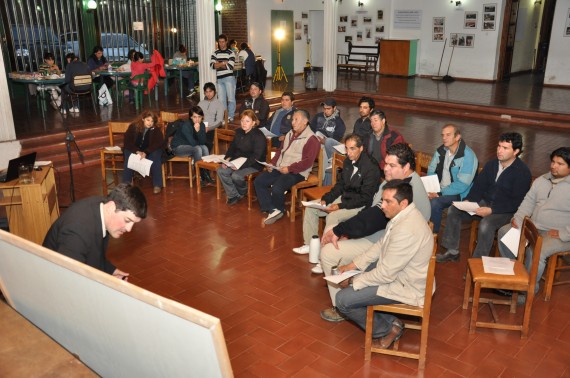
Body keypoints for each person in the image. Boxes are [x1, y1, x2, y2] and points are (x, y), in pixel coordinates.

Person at [319, 143, 431, 322]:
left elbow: (373, 219)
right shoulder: (394, 182)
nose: (385, 168)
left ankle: (342, 306)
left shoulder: (406, 192)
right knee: (336, 236)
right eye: (385, 163)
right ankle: (348, 299)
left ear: (407, 167)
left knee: (328, 253)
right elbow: (373, 214)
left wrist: (343, 230)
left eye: (391, 165)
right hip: (381, 240)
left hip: (390, 253)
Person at [334, 180, 434, 348]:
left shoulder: (407, 229)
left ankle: (388, 327)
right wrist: (352, 265)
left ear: (403, 203)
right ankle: (385, 321)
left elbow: (386, 274)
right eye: (383, 200)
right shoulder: (403, 216)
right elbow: (381, 244)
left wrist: (353, 280)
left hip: (406, 284)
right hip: (398, 273)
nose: (382, 206)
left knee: (342, 300)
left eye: (388, 202)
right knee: (359, 276)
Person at [437, 132, 532, 262]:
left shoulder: (522, 172)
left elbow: (517, 202)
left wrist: (492, 210)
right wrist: (469, 201)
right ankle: (452, 251)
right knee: (454, 210)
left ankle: (478, 263)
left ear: (516, 151)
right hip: (486, 203)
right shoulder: (492, 164)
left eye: (505, 148)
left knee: (486, 224)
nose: (499, 150)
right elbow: (479, 187)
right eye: (499, 146)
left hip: (506, 211)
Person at [293, 134, 380, 270]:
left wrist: (339, 206)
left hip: (359, 204)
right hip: (345, 198)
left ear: (361, 148)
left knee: (333, 215)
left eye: (352, 149)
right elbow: (340, 185)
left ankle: (325, 259)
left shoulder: (371, 167)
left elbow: (365, 198)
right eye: (347, 149)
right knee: (312, 208)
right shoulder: (348, 161)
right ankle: (310, 245)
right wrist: (326, 199)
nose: (349, 152)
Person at [497, 147, 570, 300]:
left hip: (559, 233)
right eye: (553, 162)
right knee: (504, 232)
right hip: (534, 226)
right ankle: (515, 276)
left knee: (536, 250)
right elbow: (528, 202)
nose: (554, 166)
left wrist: (564, 233)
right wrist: (518, 219)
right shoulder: (542, 180)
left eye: (560, 164)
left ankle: (527, 290)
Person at [43, 183, 147, 280]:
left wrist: (109, 271)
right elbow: (70, 279)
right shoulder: (77, 232)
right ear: (111, 207)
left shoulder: (102, 206)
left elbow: (90, 252)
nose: (129, 229)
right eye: (127, 220)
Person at [254, 109, 320, 225]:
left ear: (305, 121)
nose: (293, 122)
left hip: (298, 172)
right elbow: (280, 151)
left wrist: (289, 168)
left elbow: (307, 162)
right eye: (293, 119)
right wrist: (272, 164)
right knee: (259, 181)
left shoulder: (311, 139)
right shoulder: (290, 133)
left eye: (296, 120)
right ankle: (271, 208)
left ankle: (280, 209)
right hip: (281, 167)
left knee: (277, 187)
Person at [426, 124, 478, 234]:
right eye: (443, 135)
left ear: (458, 137)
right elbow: (431, 169)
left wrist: (439, 193)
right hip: (439, 188)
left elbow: (462, 184)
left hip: (460, 193)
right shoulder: (441, 151)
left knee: (435, 202)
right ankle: (420, 231)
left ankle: (432, 235)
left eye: (448, 135)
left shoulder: (468, 155)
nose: (444, 138)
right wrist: (430, 187)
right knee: (415, 194)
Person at [218, 109, 267, 206]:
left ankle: (242, 191)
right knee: (221, 171)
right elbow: (232, 148)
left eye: (247, 121)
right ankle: (233, 195)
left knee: (236, 175)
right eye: (242, 121)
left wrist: (240, 166)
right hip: (237, 161)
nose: (244, 123)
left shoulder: (259, 135)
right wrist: (226, 159)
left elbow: (256, 156)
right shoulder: (239, 132)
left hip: (254, 164)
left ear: (253, 123)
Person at [170, 105, 215, 186]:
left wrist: (198, 131)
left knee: (204, 147)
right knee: (197, 149)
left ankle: (207, 174)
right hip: (178, 147)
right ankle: (199, 176)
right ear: (191, 117)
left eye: (199, 117)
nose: (197, 119)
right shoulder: (186, 126)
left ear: (202, 117)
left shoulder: (202, 125)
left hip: (190, 146)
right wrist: (197, 132)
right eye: (195, 117)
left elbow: (203, 142)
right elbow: (193, 144)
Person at [122, 111, 164, 194]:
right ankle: (125, 185)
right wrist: (136, 151)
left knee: (156, 154)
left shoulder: (156, 130)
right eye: (148, 120)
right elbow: (127, 141)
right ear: (143, 119)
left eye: (152, 121)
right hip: (135, 150)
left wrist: (146, 152)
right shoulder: (133, 127)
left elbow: (158, 143)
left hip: (148, 151)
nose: (150, 123)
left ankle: (157, 185)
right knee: (128, 154)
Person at [310, 98, 346, 184]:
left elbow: (335, 141)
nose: (326, 111)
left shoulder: (339, 122)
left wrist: (324, 141)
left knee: (325, 150)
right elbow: (310, 129)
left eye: (328, 108)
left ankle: (324, 182)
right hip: (314, 141)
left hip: (327, 145)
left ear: (334, 108)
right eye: (325, 108)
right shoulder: (318, 116)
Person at [210, 34, 236, 121]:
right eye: (219, 42)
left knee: (231, 98)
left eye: (223, 42)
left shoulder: (231, 53)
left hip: (229, 78)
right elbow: (212, 66)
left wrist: (218, 64)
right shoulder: (215, 53)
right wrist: (223, 63)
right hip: (219, 78)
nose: (221, 44)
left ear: (226, 42)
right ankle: (225, 117)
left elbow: (230, 67)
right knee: (221, 100)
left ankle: (231, 116)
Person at [198, 82, 226, 151]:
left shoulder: (219, 104)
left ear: (214, 92)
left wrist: (209, 128)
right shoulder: (201, 103)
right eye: (206, 92)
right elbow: (195, 115)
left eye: (210, 91)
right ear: (204, 93)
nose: (208, 94)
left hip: (212, 128)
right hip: (200, 126)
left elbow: (219, 121)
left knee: (206, 141)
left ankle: (203, 155)